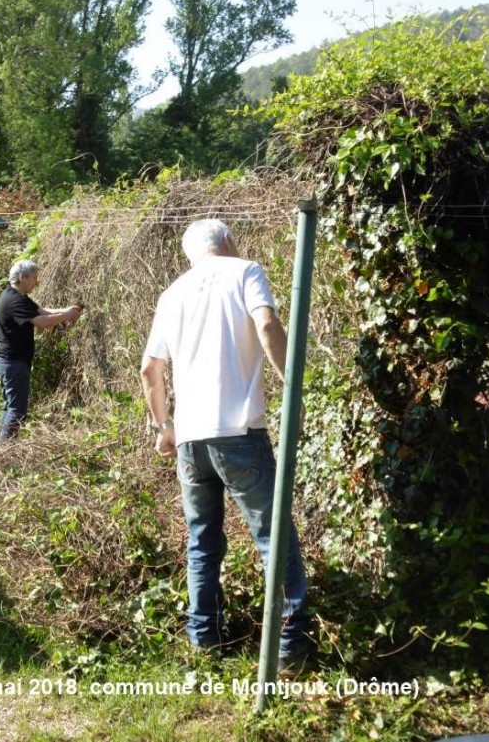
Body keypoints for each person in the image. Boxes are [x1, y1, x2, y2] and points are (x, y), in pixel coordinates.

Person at [139, 219, 311, 670]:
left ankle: (205, 641)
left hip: (191, 442)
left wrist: (164, 430)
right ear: (228, 242)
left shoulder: (172, 292)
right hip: (238, 433)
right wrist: (292, 385)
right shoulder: (245, 270)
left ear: (190, 254)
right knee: (273, 537)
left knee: (202, 541)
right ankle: (289, 648)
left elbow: (149, 370)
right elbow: (268, 324)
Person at [0, 260, 83, 439]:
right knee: (17, 410)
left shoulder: (14, 296)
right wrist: (66, 316)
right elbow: (42, 322)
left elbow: (40, 312)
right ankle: (5, 450)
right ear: (22, 277)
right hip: (12, 362)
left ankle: (2, 446)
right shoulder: (15, 300)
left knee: (10, 407)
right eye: (34, 278)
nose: (37, 282)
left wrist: (66, 311)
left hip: (7, 361)